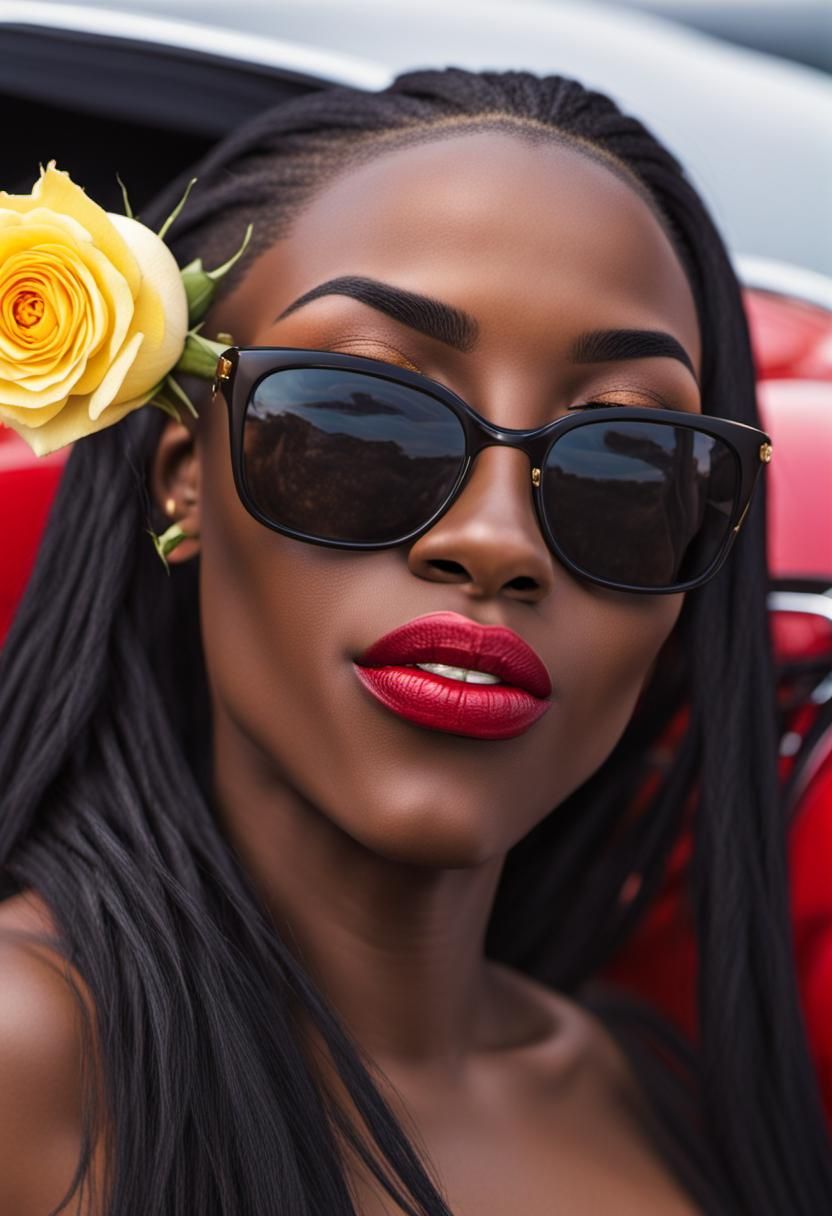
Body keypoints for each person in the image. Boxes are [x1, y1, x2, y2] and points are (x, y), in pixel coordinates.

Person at [0, 66, 829, 1215]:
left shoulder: (660, 1100)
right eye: (360, 422)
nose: (496, 541)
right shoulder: (26, 1059)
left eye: (625, 472)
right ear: (182, 478)